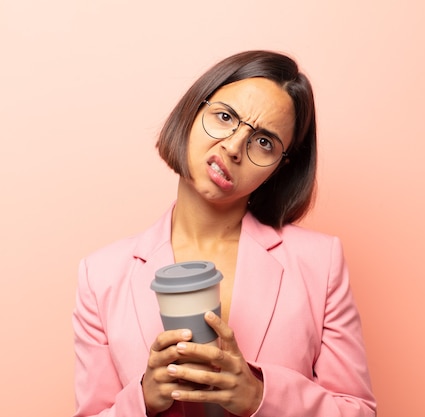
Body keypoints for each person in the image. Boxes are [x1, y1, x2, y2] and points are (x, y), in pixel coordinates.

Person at [72, 50, 376, 417]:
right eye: (225, 116)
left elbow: (358, 410)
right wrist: (143, 399)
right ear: (192, 112)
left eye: (263, 141)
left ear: (279, 169)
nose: (233, 148)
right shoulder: (101, 275)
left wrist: (261, 396)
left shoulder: (320, 262)